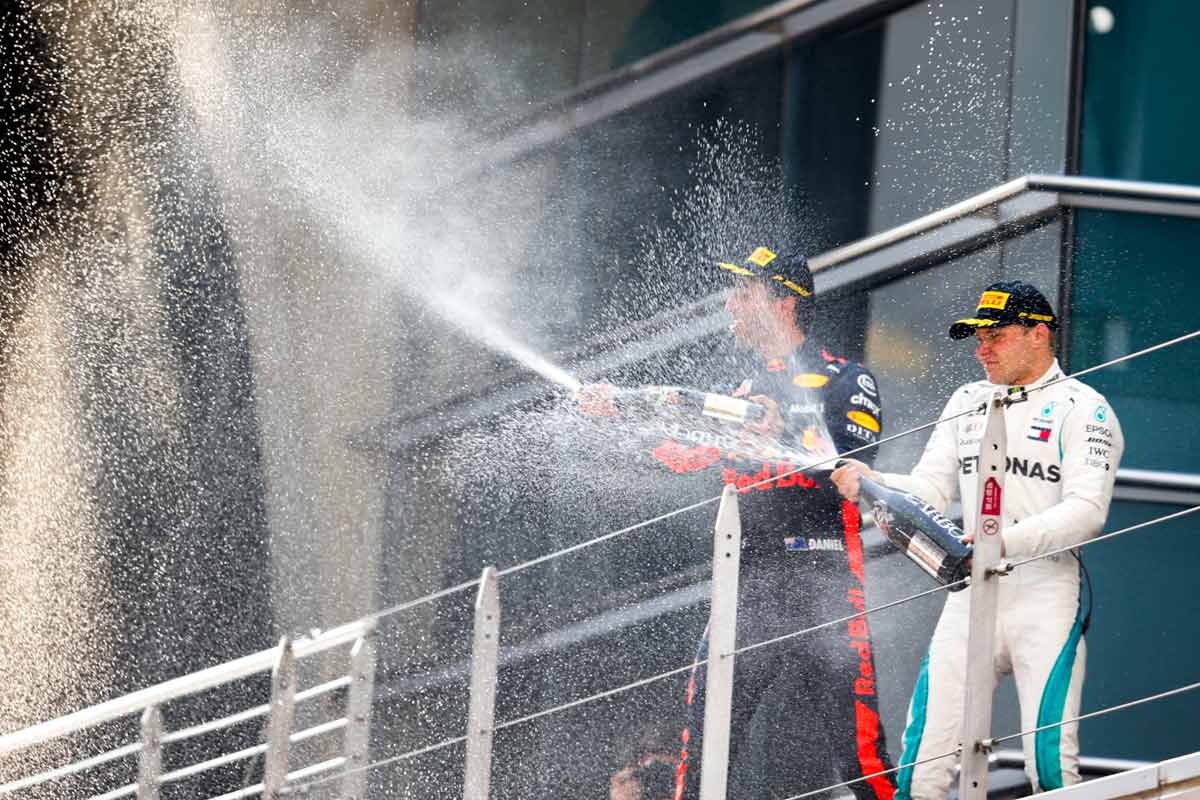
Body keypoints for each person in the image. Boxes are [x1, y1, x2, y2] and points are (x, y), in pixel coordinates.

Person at [580, 245, 895, 800]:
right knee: (702, 749)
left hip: (822, 583)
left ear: (783, 303)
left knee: (861, 754)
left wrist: (788, 434)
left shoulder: (849, 380)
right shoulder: (739, 394)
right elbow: (680, 453)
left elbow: (854, 469)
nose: (731, 303)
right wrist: (617, 411)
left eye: (744, 293)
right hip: (747, 590)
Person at [831, 281, 1124, 799]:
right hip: (970, 597)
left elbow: (1087, 514)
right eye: (977, 337)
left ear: (1039, 334)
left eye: (996, 335)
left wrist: (998, 542)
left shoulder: (1086, 408)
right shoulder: (967, 400)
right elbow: (929, 491)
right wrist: (872, 484)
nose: (981, 348)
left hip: (1046, 593)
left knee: (1051, 765)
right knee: (921, 773)